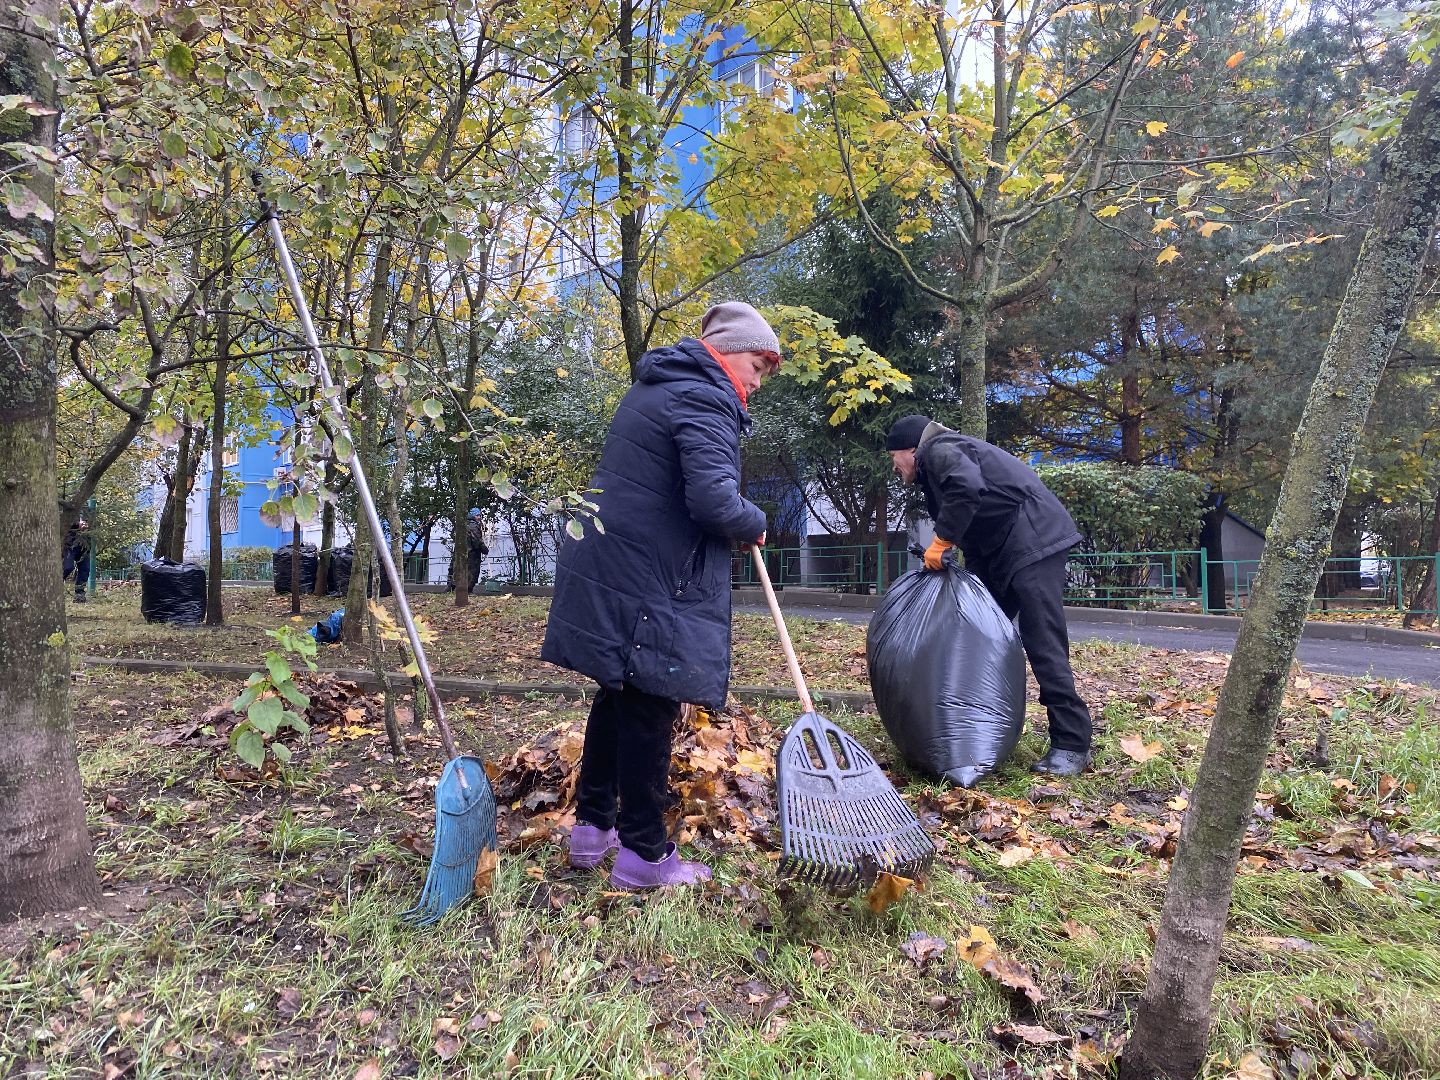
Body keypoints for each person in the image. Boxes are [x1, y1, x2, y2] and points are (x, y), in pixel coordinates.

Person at [542, 301, 780, 888]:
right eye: (758, 363)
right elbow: (712, 500)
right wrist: (754, 520)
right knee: (651, 698)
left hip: (619, 558)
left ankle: (592, 830)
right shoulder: (705, 393)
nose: (758, 379)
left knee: (619, 694)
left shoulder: (663, 385)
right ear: (727, 351)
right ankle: (644, 854)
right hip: (647, 572)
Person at [885, 414, 1094, 777]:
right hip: (1004, 551)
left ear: (910, 450)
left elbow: (967, 487)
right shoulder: (939, 463)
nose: (894, 468)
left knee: (1041, 639)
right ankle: (975, 728)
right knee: (978, 633)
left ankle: (1072, 743)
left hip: (1036, 541)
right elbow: (977, 516)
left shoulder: (940, 449)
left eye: (893, 458)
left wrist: (942, 540)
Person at [61, 516, 92, 603]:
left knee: (85, 570)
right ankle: (54, 589)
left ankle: (79, 594)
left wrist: (88, 525)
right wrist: (77, 525)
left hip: (84, 546)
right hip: (69, 544)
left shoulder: (88, 510)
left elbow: (94, 525)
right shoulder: (70, 508)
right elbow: (63, 522)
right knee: (67, 567)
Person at [464, 508, 489, 591]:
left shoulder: (466, 524)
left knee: (465, 571)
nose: (479, 517)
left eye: (480, 515)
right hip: (472, 553)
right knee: (472, 572)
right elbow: (476, 540)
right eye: (477, 515)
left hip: (466, 552)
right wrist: (484, 549)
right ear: (472, 516)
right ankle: (468, 590)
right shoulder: (473, 526)